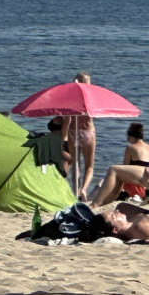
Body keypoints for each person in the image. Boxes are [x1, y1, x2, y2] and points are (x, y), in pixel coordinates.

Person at [89, 123, 149, 207]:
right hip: (148, 186)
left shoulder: (131, 147)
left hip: (135, 188)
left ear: (131, 137)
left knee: (112, 176)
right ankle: (107, 200)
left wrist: (116, 191)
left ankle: (98, 203)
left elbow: (124, 170)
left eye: (128, 138)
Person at [63, 71, 97, 199]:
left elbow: (67, 119)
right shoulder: (91, 97)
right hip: (88, 131)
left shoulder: (70, 98)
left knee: (76, 164)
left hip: (73, 132)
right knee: (89, 166)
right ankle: (84, 189)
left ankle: (76, 191)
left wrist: (64, 137)